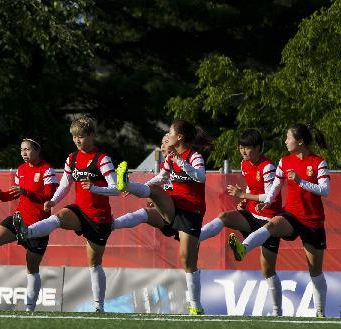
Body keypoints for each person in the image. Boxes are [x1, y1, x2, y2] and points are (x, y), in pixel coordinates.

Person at [14, 116, 123, 312]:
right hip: (79, 210)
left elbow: (116, 188)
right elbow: (65, 184)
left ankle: (99, 307)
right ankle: (27, 232)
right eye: (74, 137)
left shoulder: (102, 159)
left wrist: (96, 189)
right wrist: (53, 200)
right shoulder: (71, 158)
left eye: (80, 136)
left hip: (99, 218)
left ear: (91, 135)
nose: (77, 140)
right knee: (59, 217)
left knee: (94, 263)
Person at [228, 123, 330, 317]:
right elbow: (273, 189)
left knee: (315, 271)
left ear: (299, 142)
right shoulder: (284, 161)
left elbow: (325, 190)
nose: (285, 141)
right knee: (272, 224)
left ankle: (320, 312)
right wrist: (267, 203)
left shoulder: (318, 163)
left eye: (288, 137)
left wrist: (301, 181)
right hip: (290, 214)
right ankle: (244, 247)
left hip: (313, 221)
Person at [112, 119, 212, 315]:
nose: (168, 135)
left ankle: (196, 306)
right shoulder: (170, 158)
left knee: (187, 261)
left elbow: (200, 177)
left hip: (192, 212)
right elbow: (160, 179)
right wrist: (136, 187)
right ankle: (125, 187)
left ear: (179, 137)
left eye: (171, 132)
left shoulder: (194, 156)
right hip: (174, 206)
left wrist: (180, 161)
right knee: (151, 200)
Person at [197, 129, 283, 315]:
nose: (244, 152)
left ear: (259, 148)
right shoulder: (245, 164)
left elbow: (270, 196)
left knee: (267, 270)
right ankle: (196, 237)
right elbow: (252, 187)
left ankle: (277, 311)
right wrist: (244, 201)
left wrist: (242, 195)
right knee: (224, 217)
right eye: (241, 147)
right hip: (251, 215)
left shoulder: (268, 167)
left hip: (269, 222)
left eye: (248, 148)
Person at [0, 137, 57, 311]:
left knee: (32, 268)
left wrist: (26, 191)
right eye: (22, 150)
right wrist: (1, 195)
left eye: (27, 149)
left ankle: (29, 308)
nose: (24, 153)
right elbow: (15, 194)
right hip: (19, 219)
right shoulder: (21, 169)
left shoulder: (47, 170)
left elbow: (49, 197)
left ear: (37, 150)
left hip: (39, 226)